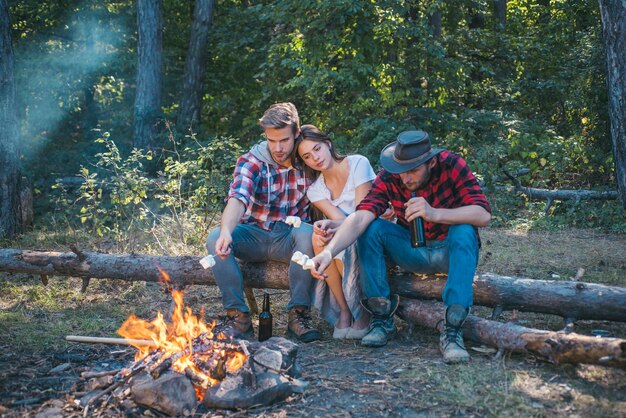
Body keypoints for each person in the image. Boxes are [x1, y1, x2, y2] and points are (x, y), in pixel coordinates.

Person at [309, 130, 491, 363]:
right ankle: (382, 318)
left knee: (465, 230)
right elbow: (361, 216)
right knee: (372, 228)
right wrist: (328, 251)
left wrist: (435, 213)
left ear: (431, 162)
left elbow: (483, 215)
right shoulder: (391, 175)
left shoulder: (452, 165)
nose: (406, 178)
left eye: (413, 170)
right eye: (401, 171)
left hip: (449, 249)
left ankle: (453, 329)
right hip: (411, 250)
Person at [206, 102, 320, 343]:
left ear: (296, 134)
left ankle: (298, 315)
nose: (278, 148)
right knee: (215, 237)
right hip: (253, 235)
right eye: (272, 141)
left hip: (289, 238)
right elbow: (238, 198)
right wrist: (227, 230)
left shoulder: (309, 160)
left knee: (306, 232)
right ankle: (239, 318)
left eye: (284, 141)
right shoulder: (251, 162)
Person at [292, 124, 376, 339]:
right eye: (308, 156)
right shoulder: (315, 190)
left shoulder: (358, 163)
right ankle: (345, 310)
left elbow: (361, 215)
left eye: (317, 149)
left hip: (372, 226)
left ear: (328, 144)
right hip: (347, 230)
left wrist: (335, 227)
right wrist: (327, 226)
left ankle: (362, 311)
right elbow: (341, 221)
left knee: (338, 241)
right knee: (318, 237)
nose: (316, 158)